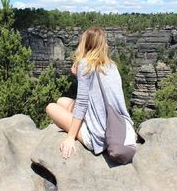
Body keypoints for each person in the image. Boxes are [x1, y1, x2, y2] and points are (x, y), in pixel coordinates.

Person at [46, 27, 137, 160]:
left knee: (51, 107)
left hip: (99, 136)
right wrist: (79, 77)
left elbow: (82, 103)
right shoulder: (112, 65)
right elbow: (102, 95)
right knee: (62, 101)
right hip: (120, 127)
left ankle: (84, 131)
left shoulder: (84, 64)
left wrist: (70, 137)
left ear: (85, 43)